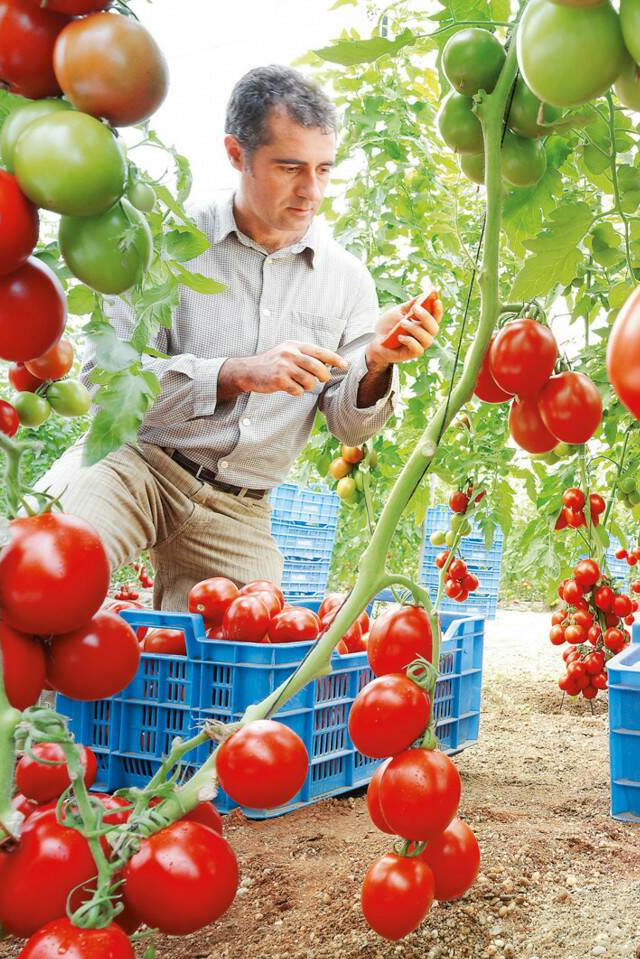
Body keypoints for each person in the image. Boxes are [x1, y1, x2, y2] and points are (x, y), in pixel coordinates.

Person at [39, 65, 439, 611]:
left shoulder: (347, 282)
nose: (311, 191)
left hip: (240, 507)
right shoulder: (167, 243)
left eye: (325, 169)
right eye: (290, 167)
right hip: (135, 464)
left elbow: (348, 422)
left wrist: (375, 363)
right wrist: (237, 372)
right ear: (236, 154)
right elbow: (107, 380)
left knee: (239, 661)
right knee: (49, 571)